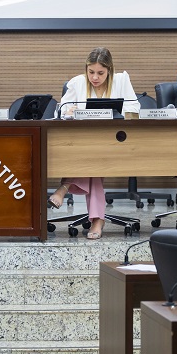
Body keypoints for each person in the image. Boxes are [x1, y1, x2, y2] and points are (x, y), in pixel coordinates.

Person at [47, 47, 140, 240]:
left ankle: (65, 186)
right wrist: (69, 112)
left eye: (100, 73)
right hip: (85, 144)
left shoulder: (122, 80)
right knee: (93, 161)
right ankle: (98, 219)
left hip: (115, 142)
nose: (94, 78)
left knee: (93, 156)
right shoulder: (77, 83)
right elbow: (60, 111)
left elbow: (134, 107)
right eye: (91, 72)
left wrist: (117, 113)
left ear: (110, 70)